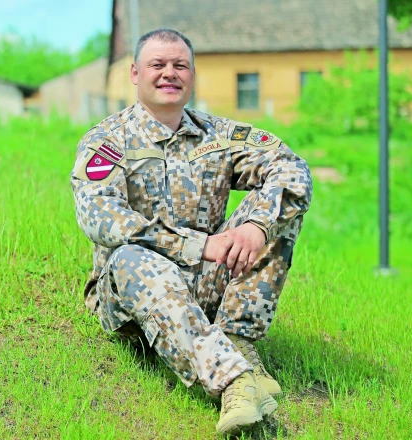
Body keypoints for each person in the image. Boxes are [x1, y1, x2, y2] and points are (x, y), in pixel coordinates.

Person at [70, 28, 312, 435]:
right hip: (131, 295)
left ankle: (236, 338)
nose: (169, 74)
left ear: (193, 74)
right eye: (157, 65)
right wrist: (196, 245)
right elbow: (98, 215)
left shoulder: (219, 136)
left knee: (275, 212)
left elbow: (292, 167)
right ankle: (234, 383)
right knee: (130, 255)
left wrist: (255, 226)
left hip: (204, 281)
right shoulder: (107, 141)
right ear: (134, 73)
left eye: (180, 65)